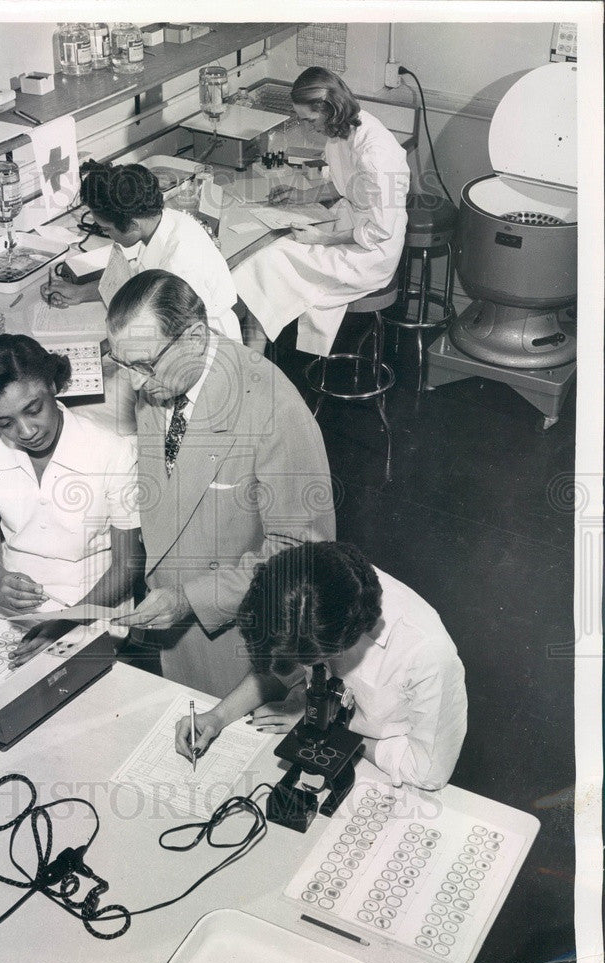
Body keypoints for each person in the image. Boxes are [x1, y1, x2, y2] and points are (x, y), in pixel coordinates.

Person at [106, 269, 337, 699]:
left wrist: (189, 600)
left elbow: (299, 556)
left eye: (142, 364)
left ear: (195, 338)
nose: (134, 382)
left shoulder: (274, 411)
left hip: (244, 651)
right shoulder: (159, 383)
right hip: (172, 638)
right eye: (122, 363)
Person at [175, 541, 468, 790]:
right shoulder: (312, 582)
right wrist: (218, 716)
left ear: (345, 642)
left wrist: (327, 732)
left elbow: (427, 771)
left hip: (384, 775)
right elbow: (281, 664)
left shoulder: (427, 653)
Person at [0, 335, 142, 646]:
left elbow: (128, 564)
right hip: (3, 595)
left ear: (53, 386)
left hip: (91, 600)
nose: (26, 431)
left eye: (33, 409)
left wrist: (62, 624)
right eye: (5, 424)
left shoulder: (113, 452)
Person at [233, 67, 410, 356]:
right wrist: (302, 195)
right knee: (265, 260)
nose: (307, 127)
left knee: (265, 263)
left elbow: (378, 232)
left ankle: (253, 367)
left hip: (370, 254)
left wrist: (320, 239)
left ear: (330, 109)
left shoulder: (376, 154)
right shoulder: (342, 130)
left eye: (310, 119)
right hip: (349, 226)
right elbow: (345, 186)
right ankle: (254, 361)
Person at [50, 162, 243, 343]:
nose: (107, 236)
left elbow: (169, 337)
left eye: (107, 230)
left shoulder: (178, 266)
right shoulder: (162, 221)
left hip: (201, 346)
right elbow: (131, 281)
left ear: (133, 225)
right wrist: (81, 292)